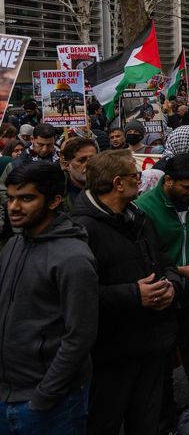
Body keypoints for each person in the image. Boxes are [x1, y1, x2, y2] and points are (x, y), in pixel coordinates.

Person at [72, 149, 179, 435]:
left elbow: (163, 260)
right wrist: (133, 294)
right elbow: (77, 295)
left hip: (151, 345)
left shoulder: (138, 217)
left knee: (146, 424)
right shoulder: (82, 229)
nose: (141, 180)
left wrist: (170, 285)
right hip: (110, 355)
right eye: (136, 175)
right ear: (118, 183)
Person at [0, 162, 98, 435]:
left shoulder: (73, 258)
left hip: (49, 404)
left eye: (26, 198)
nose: (14, 207)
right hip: (7, 395)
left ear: (55, 200)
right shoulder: (14, 244)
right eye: (11, 198)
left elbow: (80, 335)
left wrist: (45, 394)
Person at [135, 153, 189, 403]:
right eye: (186, 187)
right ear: (168, 181)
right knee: (161, 367)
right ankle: (166, 420)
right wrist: (180, 271)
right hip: (162, 298)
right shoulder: (144, 208)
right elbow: (142, 258)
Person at [59, 136, 97, 209]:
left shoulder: (107, 188)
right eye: (82, 160)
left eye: (93, 159)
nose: (89, 164)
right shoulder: (58, 192)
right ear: (66, 164)